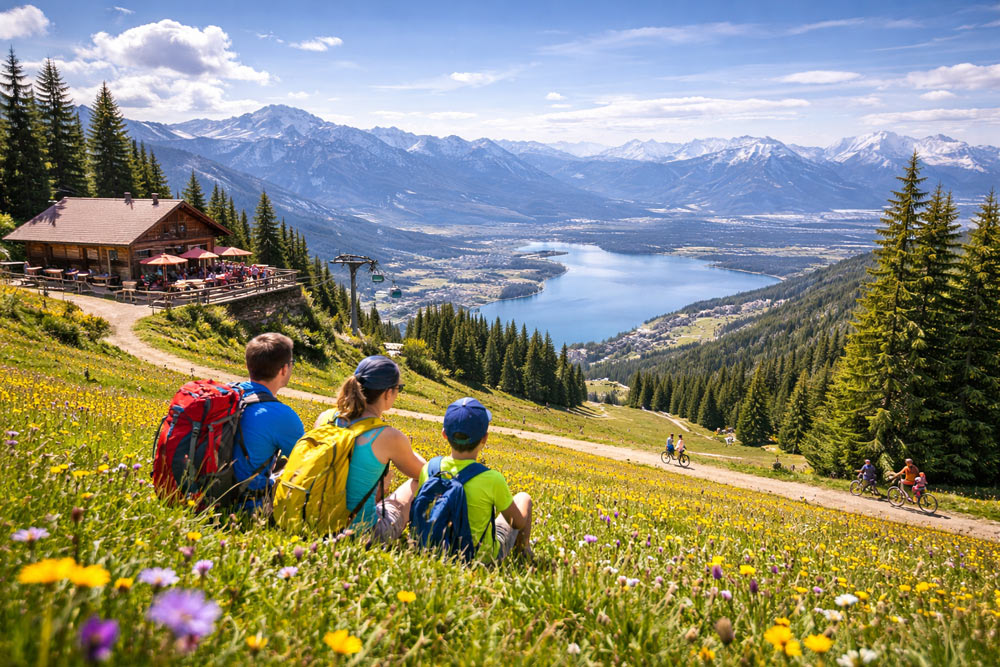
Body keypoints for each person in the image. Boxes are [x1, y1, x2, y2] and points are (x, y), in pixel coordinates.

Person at [314, 355, 426, 542]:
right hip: (360, 534)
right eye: (399, 388)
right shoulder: (388, 436)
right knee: (415, 485)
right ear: (388, 393)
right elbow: (424, 473)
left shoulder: (326, 418)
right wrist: (405, 449)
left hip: (313, 520)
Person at [419, 397, 533, 563]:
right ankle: (524, 553)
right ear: (484, 438)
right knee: (524, 498)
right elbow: (516, 523)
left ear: (444, 434)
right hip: (481, 559)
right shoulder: (492, 479)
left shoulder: (430, 468)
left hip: (434, 551)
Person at [232, 333, 305, 511]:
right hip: (246, 507)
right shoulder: (282, 415)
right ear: (283, 370)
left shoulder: (229, 392)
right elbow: (307, 467)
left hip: (204, 495)